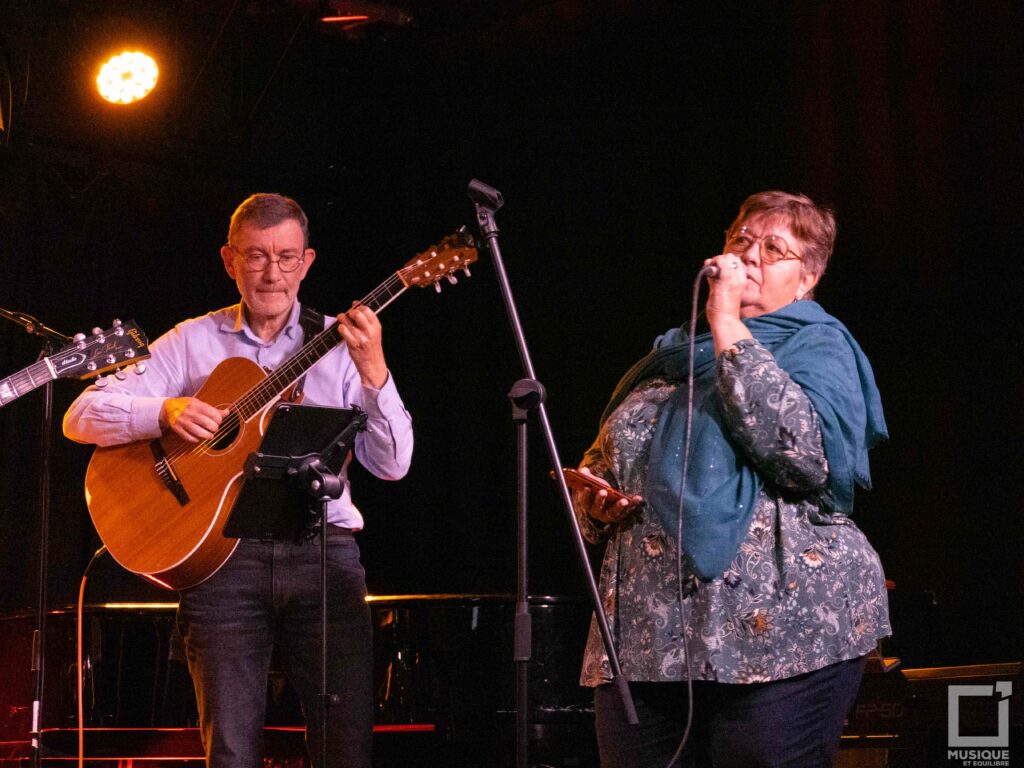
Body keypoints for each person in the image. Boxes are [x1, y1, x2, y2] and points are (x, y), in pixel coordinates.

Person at [63, 193, 413, 768]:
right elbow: (80, 415)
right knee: (229, 750)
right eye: (255, 256)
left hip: (323, 556)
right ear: (229, 261)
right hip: (222, 560)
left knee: (345, 745)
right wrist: (166, 412)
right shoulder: (191, 341)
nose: (272, 273)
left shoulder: (346, 347)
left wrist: (375, 369)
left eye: (286, 257)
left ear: (307, 261)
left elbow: (393, 463)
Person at [573, 191, 889, 767]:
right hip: (648, 641)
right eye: (741, 239)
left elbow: (800, 454)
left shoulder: (817, 346)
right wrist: (593, 499)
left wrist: (724, 322)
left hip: (782, 636)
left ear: (808, 276)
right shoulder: (668, 357)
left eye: (775, 248)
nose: (751, 255)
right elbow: (607, 458)